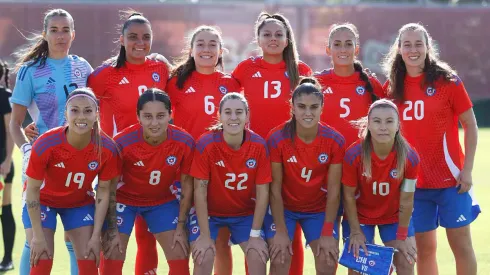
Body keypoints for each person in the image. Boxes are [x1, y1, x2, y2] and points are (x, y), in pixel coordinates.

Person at [382, 23, 480, 275]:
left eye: (418, 44)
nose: (413, 49)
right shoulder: (392, 87)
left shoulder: (447, 81)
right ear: (399, 49)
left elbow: (470, 123)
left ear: (427, 47)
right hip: (413, 185)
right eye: (407, 44)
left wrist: (466, 170)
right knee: (424, 250)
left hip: (451, 181)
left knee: (461, 246)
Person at [9, 9, 93, 275]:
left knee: (76, 238)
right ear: (45, 34)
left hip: (79, 159)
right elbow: (15, 121)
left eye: (65, 29)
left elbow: (94, 110)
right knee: (37, 239)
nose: (60, 35)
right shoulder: (30, 71)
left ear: (74, 34)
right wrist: (25, 148)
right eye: (54, 30)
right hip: (42, 160)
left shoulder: (83, 68)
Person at [87, 11, 171, 274]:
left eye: (146, 37)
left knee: (148, 235)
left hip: (153, 160)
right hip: (117, 162)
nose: (140, 43)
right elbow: (82, 109)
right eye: (133, 37)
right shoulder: (103, 75)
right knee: (111, 236)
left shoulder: (160, 68)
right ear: (122, 39)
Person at [231, 12, 312, 274]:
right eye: (267, 34)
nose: (273, 39)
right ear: (258, 39)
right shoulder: (246, 68)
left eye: (279, 34)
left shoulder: (301, 70)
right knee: (253, 229)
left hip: (292, 155)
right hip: (254, 156)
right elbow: (225, 96)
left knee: (290, 227)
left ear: (288, 40)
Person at [166, 25, 240, 274]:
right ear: (191, 50)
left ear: (221, 51)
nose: (206, 49)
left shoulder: (231, 84)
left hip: (219, 171)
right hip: (183, 170)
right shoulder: (176, 83)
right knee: (179, 237)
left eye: (212, 44)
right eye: (201, 44)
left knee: (220, 241)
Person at [23, 88, 120, 275]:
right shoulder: (46, 143)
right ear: (65, 113)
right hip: (43, 202)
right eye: (74, 110)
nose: (81, 116)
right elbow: (32, 189)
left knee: (90, 259)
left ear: (97, 114)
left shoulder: (107, 148)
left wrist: (95, 235)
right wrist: (37, 235)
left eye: (88, 111)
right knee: (41, 258)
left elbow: (104, 191)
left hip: (79, 203)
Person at [101, 89, 192, 275]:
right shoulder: (122, 143)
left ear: (170, 114)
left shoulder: (184, 141)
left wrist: (181, 226)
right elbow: (107, 188)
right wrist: (111, 227)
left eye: (161, 116)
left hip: (161, 200)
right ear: (138, 117)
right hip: (124, 201)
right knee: (112, 252)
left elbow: (188, 185)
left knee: (180, 254)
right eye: (147, 116)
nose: (154, 122)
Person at [265, 77, 344, 274]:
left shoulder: (334, 141)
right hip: (285, 209)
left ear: (322, 108)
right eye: (301, 106)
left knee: (327, 258)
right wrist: (281, 232)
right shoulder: (277, 139)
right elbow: (274, 190)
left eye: (314, 107)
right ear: (292, 107)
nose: (308, 113)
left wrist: (327, 232)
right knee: (280, 257)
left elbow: (334, 192)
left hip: (318, 209)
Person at [190, 93, 270, 275]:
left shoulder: (258, 145)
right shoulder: (206, 144)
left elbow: (263, 192)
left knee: (258, 256)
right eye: (228, 112)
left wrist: (255, 235)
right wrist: (204, 236)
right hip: (210, 214)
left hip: (244, 214)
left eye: (239, 112)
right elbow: (199, 191)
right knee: (204, 255)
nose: (233, 117)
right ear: (219, 115)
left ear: (247, 115)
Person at [342, 99, 419, 275]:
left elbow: (407, 200)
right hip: (359, 217)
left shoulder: (409, 157)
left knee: (407, 260)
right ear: (368, 125)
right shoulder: (354, 155)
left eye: (389, 121)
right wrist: (355, 231)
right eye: (377, 121)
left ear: (398, 125)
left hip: (393, 217)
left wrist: (401, 236)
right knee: (358, 267)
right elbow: (347, 196)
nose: (383, 127)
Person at [315, 23, 384, 148]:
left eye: (348, 44)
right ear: (328, 50)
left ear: (356, 49)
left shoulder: (371, 84)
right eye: (337, 44)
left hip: (361, 159)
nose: (343, 49)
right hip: (325, 160)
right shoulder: (317, 82)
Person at [0, 59, 15, 272]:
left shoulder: (5, 96)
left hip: (1, 163)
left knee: (5, 208)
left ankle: (7, 258)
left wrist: (7, 160)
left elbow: (11, 130)